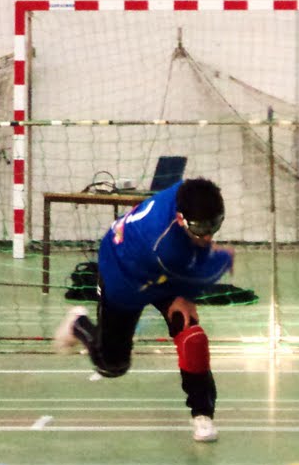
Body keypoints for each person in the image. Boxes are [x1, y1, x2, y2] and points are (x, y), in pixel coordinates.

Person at [55, 177, 234, 442]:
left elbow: (194, 261)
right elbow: (198, 270)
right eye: (200, 229)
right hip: (123, 272)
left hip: (157, 263)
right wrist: (218, 263)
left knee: (192, 337)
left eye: (214, 226)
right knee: (112, 365)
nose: (208, 236)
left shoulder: (187, 194)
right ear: (181, 219)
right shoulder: (167, 248)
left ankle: (202, 414)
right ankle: (78, 324)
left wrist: (190, 284)